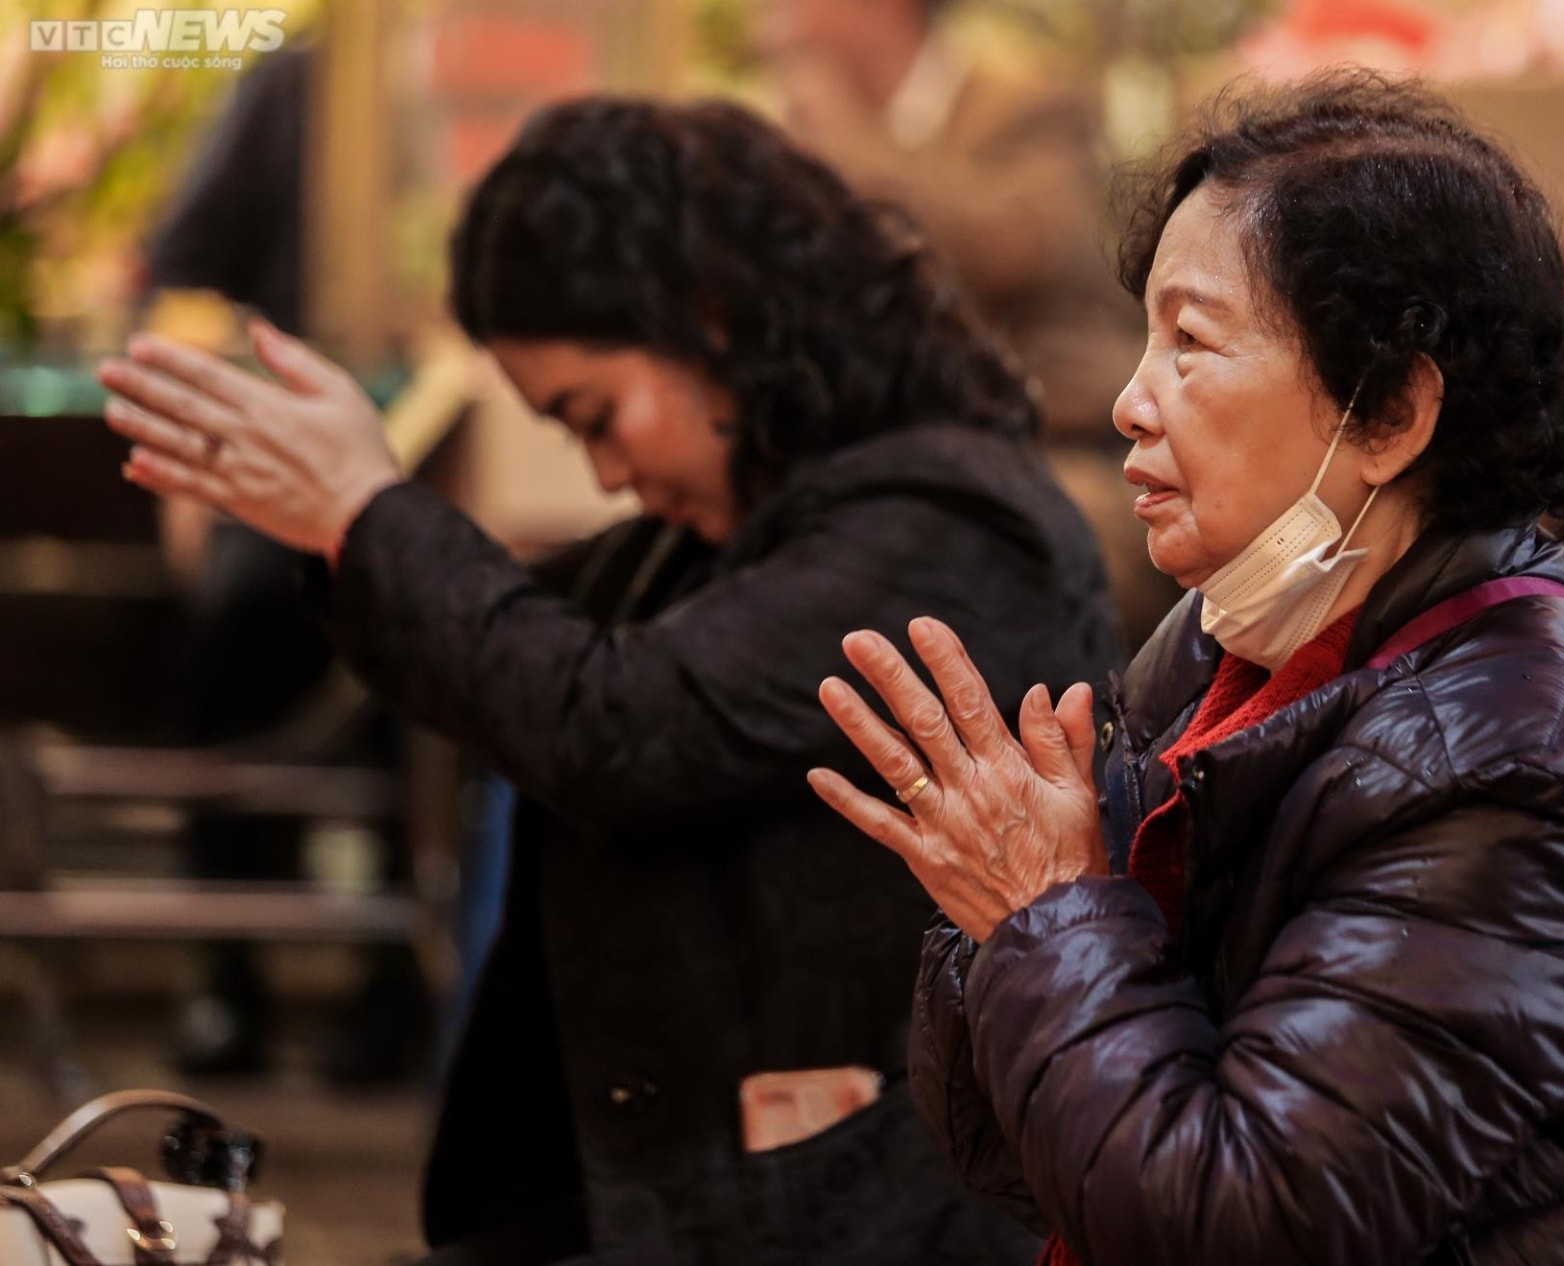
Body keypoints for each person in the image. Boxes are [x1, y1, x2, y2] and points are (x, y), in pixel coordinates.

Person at [97, 97, 1123, 1264]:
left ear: (714, 319)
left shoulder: (952, 521)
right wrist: (342, 524)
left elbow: (612, 718)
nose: (607, 471)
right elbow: (520, 651)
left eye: (598, 416)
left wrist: (359, 510)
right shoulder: (731, 531)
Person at [809, 73, 1564, 1265]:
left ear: (1389, 414)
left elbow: (1247, 1224)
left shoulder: (1509, 760)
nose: (1128, 402)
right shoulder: (1223, 648)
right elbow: (1030, 1155)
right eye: (1142, 339)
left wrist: (1042, 911)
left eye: (1193, 342)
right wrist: (1007, 908)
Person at [140, 44, 429, 1082]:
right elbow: (183, 271)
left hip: (452, 481)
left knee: (428, 707)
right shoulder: (299, 83)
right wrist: (191, 459)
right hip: (286, 487)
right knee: (236, 660)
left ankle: (392, 985)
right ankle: (230, 977)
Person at [756, 0, 1180, 647]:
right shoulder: (810, 130)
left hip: (1056, 439)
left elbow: (1015, 247)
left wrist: (851, 143)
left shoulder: (1025, 101)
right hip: (892, 451)